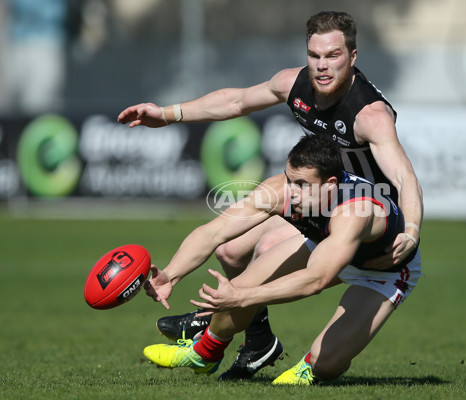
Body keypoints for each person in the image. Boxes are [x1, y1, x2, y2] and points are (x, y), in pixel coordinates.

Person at [117, 11, 423, 380]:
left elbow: (405, 178)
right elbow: (237, 101)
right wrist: (167, 114)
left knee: (322, 360)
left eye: (333, 55)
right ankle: (226, 345)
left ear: (353, 57)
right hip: (325, 210)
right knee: (231, 250)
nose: (322, 66)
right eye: (315, 56)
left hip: (378, 245)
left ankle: (259, 341)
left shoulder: (370, 116)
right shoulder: (294, 91)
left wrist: (412, 230)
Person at [142, 134, 421, 385]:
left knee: (326, 363)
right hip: (325, 245)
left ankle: (311, 367)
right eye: (290, 179)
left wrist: (243, 298)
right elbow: (215, 232)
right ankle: (204, 354)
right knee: (238, 286)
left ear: (330, 185)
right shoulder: (280, 190)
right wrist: (171, 274)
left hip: (383, 272)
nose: (292, 191)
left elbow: (316, 279)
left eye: (302, 184)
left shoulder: (355, 211)